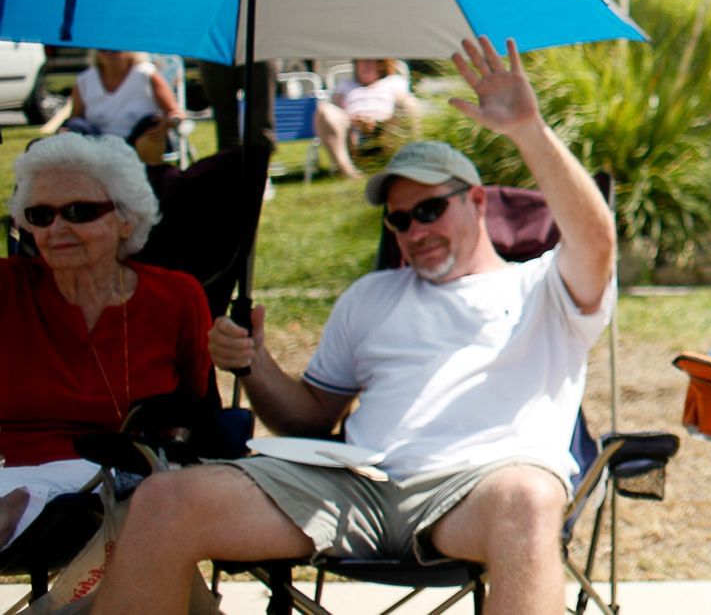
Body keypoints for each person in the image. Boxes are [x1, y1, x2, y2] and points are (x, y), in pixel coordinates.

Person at [91, 37, 615, 615]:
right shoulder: (372, 296)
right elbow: (308, 416)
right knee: (165, 499)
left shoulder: (544, 286)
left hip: (478, 491)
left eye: (430, 210)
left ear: (478, 202)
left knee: (531, 498)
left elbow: (595, 241)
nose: (414, 231)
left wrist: (528, 130)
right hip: (352, 485)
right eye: (399, 220)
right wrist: (253, 362)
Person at [0, 134, 213, 549]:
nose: (57, 228)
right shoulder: (8, 289)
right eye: (40, 215)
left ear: (126, 218)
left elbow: (197, 408)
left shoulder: (176, 297)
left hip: (123, 477)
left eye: (79, 211)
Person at [314, 57, 419, 178]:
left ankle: (411, 160)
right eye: (361, 62)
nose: (365, 66)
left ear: (380, 65)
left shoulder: (394, 82)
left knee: (410, 104)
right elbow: (336, 109)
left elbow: (402, 103)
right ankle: (347, 171)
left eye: (369, 62)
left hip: (386, 131)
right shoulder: (346, 85)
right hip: (352, 132)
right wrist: (354, 120)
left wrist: (379, 121)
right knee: (324, 110)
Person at [64, 49, 183, 147]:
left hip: (138, 144)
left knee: (151, 123)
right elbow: (76, 118)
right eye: (103, 48)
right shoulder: (85, 79)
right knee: (75, 126)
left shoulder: (146, 73)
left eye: (115, 49)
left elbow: (175, 112)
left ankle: (150, 172)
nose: (108, 52)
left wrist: (166, 124)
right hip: (96, 145)